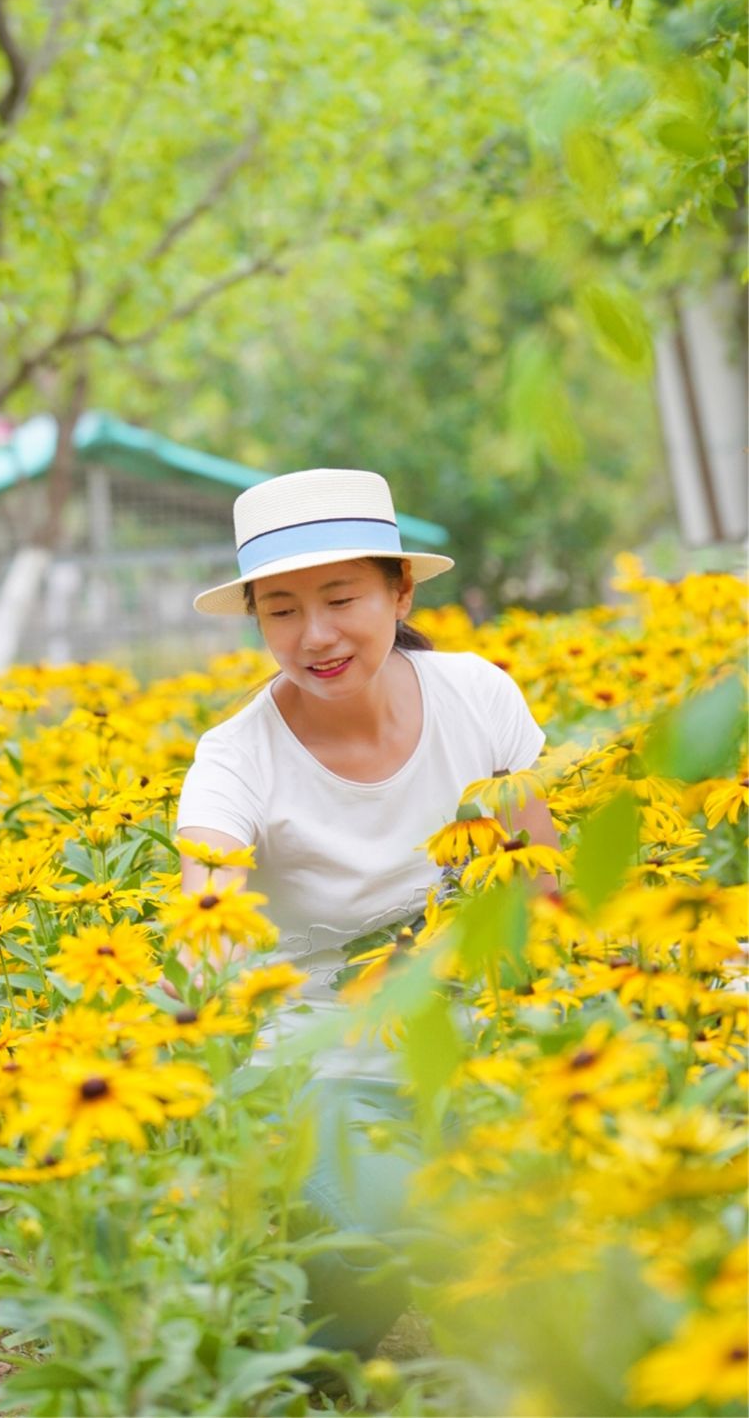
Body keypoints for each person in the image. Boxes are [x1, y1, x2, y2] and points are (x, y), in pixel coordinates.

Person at [175, 467, 559, 1352]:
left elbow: (545, 888)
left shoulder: (478, 696)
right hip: (314, 1067)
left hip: (470, 1038)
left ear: (400, 588)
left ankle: (307, 1347)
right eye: (279, 610)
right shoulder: (235, 758)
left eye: (340, 597)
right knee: (424, 1230)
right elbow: (206, 901)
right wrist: (199, 970)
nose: (314, 635)